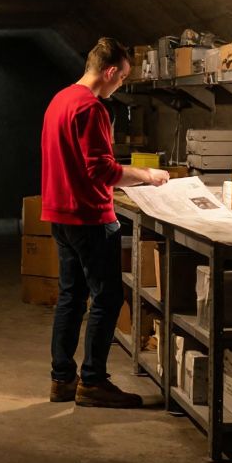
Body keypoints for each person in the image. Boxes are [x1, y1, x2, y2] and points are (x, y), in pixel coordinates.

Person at [40, 37, 169, 408]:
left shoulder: (59, 100)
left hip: (59, 214)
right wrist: (146, 176)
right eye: (123, 78)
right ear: (110, 71)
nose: (121, 85)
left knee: (71, 298)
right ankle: (93, 381)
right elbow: (100, 170)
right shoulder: (92, 108)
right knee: (107, 298)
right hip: (90, 217)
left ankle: (62, 380)